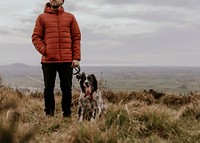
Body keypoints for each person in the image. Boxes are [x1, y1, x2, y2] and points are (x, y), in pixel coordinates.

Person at [32, 0, 81, 118]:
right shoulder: (41, 18)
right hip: (48, 60)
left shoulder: (70, 17)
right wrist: (45, 50)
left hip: (67, 60)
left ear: (62, 1)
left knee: (67, 89)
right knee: (48, 89)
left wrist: (76, 57)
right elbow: (35, 37)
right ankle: (49, 114)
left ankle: (67, 114)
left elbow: (76, 37)